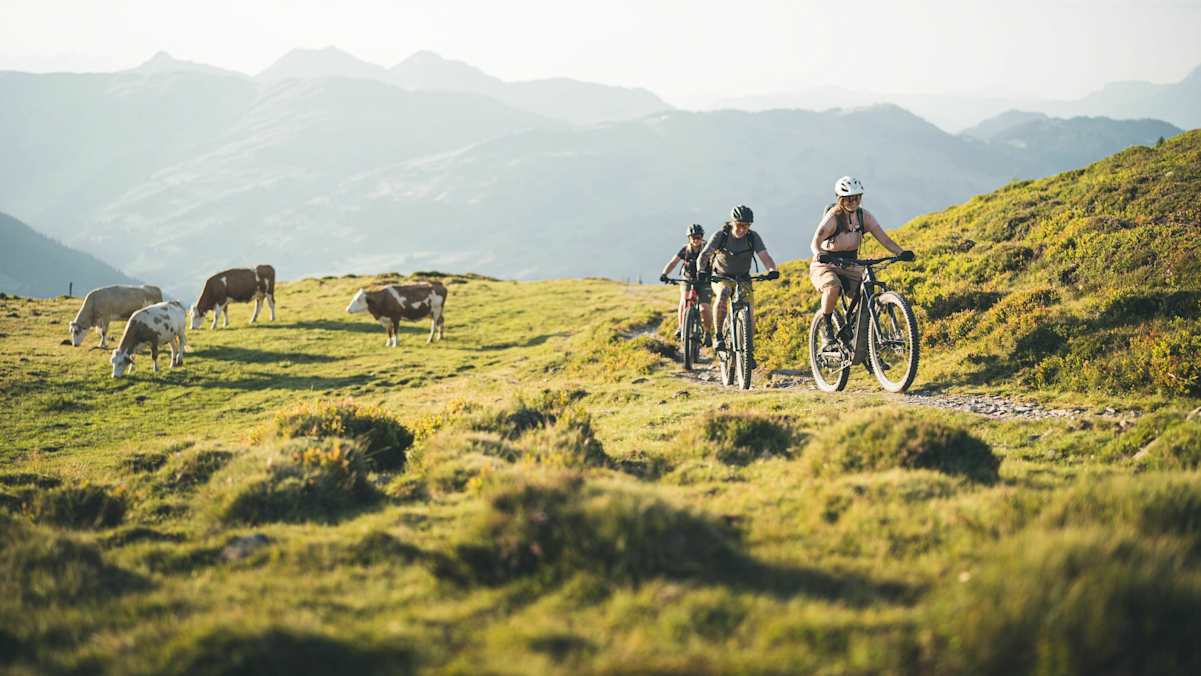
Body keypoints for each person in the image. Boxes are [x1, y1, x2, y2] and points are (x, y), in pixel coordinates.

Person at [809, 176, 913, 345]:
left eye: (856, 197)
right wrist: (819, 253)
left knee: (867, 291)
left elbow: (885, 240)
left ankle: (861, 335)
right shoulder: (833, 217)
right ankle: (827, 327)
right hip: (826, 263)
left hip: (850, 264)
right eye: (848, 198)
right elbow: (815, 242)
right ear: (840, 199)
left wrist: (902, 253)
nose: (853, 201)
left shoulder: (864, 216)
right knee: (832, 286)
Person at [697, 205, 779, 353]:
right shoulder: (721, 235)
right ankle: (719, 336)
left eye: (746, 225)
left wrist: (772, 270)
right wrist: (701, 270)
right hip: (721, 276)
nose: (742, 229)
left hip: (743, 278)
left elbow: (765, 257)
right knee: (723, 294)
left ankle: (749, 352)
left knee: (749, 312)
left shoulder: (752, 237)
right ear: (732, 222)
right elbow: (704, 255)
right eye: (739, 225)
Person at [659, 224, 714, 345]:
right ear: (689, 238)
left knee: (704, 308)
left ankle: (707, 333)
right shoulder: (685, 249)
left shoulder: (707, 249)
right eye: (693, 237)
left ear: (702, 237)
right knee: (684, 301)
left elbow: (716, 263)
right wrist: (665, 273)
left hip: (705, 281)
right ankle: (681, 327)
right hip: (688, 279)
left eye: (698, 237)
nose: (696, 239)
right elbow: (673, 262)